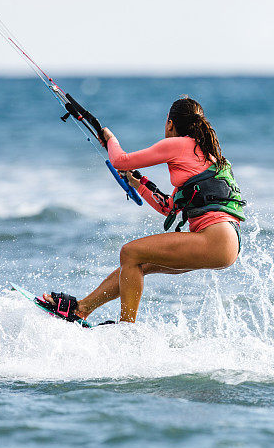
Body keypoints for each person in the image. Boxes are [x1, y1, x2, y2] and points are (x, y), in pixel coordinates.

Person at [41, 97, 246, 323]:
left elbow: (120, 160)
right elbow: (167, 207)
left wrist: (110, 139)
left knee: (129, 252)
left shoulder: (178, 144)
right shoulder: (205, 155)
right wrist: (139, 183)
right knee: (139, 264)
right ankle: (82, 308)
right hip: (226, 244)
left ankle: (127, 330)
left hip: (215, 238)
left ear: (170, 123)